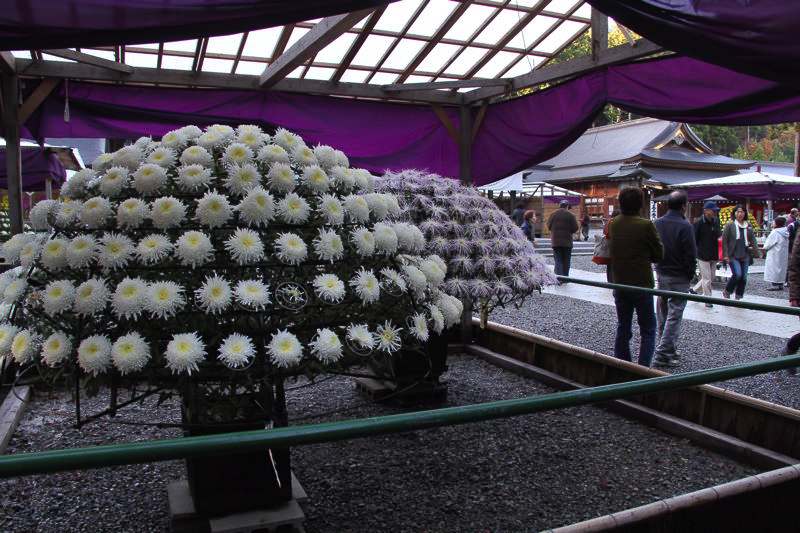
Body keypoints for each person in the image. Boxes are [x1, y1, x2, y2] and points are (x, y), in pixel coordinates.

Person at [608, 187, 664, 367]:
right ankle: (643, 366)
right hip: (641, 283)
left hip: (620, 281)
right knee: (648, 328)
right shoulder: (646, 225)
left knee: (623, 325)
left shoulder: (614, 223)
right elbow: (659, 254)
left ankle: (622, 363)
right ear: (640, 204)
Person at [652, 191, 697, 368]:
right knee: (675, 313)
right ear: (684, 206)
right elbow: (690, 254)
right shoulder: (685, 226)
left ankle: (667, 347)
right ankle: (663, 353)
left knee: (663, 311)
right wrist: (690, 273)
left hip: (662, 271)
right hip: (679, 274)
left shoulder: (658, 223)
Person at [721, 205, 761, 300]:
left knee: (744, 277)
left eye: (742, 212)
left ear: (745, 213)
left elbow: (753, 240)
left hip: (745, 254)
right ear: (734, 213)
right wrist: (725, 255)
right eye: (738, 212)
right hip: (733, 255)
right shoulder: (730, 225)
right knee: (737, 274)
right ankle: (727, 290)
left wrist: (757, 252)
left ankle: (739, 295)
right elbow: (724, 241)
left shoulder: (748, 225)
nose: (740, 214)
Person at [692, 201, 721, 307]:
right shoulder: (699, 223)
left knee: (710, 277)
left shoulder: (716, 221)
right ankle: (708, 300)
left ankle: (694, 289)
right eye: (713, 210)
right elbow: (694, 239)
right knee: (707, 279)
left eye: (715, 210)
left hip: (714, 254)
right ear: (706, 211)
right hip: (702, 254)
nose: (714, 212)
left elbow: (719, 234)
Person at [547, 200, 579, 277]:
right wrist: (569, 231)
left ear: (560, 206)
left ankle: (559, 277)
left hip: (556, 241)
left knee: (558, 259)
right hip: (567, 241)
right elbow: (575, 228)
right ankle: (565, 277)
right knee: (566, 260)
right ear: (567, 206)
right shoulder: (571, 215)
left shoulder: (553, 214)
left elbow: (549, 226)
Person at [763, 216, 790, 290]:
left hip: (774, 253)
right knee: (781, 268)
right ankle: (780, 283)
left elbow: (768, 244)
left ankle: (775, 284)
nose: (773, 223)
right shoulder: (785, 231)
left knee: (774, 268)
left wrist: (765, 248)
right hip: (783, 253)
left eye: (774, 222)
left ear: (777, 223)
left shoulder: (775, 232)